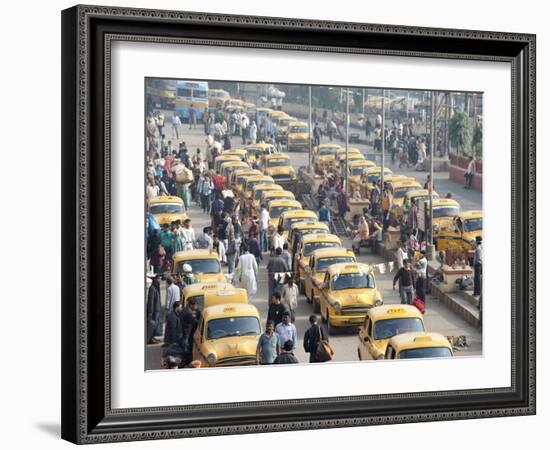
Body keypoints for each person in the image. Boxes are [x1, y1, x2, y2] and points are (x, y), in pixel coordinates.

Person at [179, 298, 200, 366]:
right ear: (191, 305)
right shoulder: (189, 313)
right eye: (195, 305)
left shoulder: (185, 309)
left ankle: (184, 362)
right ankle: (185, 363)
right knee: (186, 350)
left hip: (183, 332)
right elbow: (195, 323)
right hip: (186, 333)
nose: (196, 307)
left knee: (184, 349)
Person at [146, 273, 162, 344]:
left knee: (155, 325)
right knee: (152, 325)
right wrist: (150, 312)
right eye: (159, 278)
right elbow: (151, 301)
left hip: (157, 310)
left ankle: (153, 338)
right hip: (154, 311)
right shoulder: (152, 288)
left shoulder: (156, 286)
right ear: (155, 279)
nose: (160, 279)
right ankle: (150, 339)